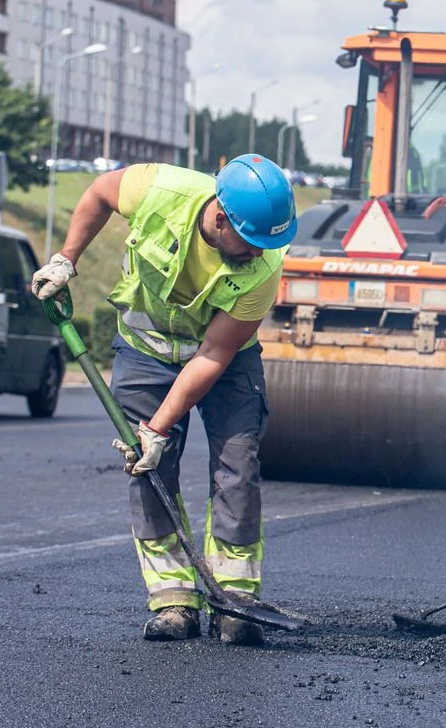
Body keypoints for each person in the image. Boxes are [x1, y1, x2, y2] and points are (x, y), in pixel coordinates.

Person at [30, 154, 298, 644]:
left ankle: (236, 602)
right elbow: (98, 193)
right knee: (150, 468)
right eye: (252, 242)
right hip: (145, 351)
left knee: (237, 467)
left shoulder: (264, 267)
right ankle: (174, 600)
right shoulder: (158, 190)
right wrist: (67, 259)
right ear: (221, 218)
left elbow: (213, 355)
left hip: (225, 361)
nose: (259, 252)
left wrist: (158, 426)